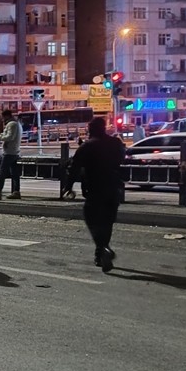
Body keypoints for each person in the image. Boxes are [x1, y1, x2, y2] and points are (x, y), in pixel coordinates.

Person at [65, 116, 126, 272]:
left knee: (92, 219)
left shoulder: (87, 146)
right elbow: (121, 159)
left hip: (95, 189)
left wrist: (68, 187)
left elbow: (74, 168)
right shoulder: (115, 143)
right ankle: (100, 255)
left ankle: (103, 249)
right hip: (114, 188)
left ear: (91, 130)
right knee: (107, 222)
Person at [0, 109, 22, 200]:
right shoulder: (16, 124)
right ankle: (16, 191)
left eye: (2, 117)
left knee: (2, 171)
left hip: (9, 152)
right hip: (14, 151)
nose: (1, 119)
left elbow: (10, 137)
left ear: (6, 116)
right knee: (14, 172)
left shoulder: (12, 124)